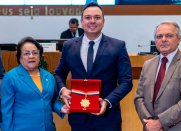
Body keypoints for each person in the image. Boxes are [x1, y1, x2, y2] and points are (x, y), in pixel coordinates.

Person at [54, 2, 132, 131]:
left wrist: (107, 102)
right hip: (78, 118)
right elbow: (58, 74)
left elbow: (127, 81)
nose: (92, 21)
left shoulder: (118, 46)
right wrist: (63, 90)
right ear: (82, 21)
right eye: (88, 17)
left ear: (103, 21)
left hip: (108, 118)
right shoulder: (69, 46)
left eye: (97, 17)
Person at [134, 21, 181, 131]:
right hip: (149, 128)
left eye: (169, 35)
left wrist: (160, 123)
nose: (163, 39)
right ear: (155, 40)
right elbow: (139, 98)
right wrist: (150, 122)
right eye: (159, 36)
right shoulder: (147, 65)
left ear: (179, 39)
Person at [1, 37, 68, 131]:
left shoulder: (49, 77)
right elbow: (5, 111)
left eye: (35, 53)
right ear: (19, 57)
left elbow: (52, 101)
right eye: (26, 53)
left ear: (40, 56)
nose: (31, 56)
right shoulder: (11, 77)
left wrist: (61, 108)